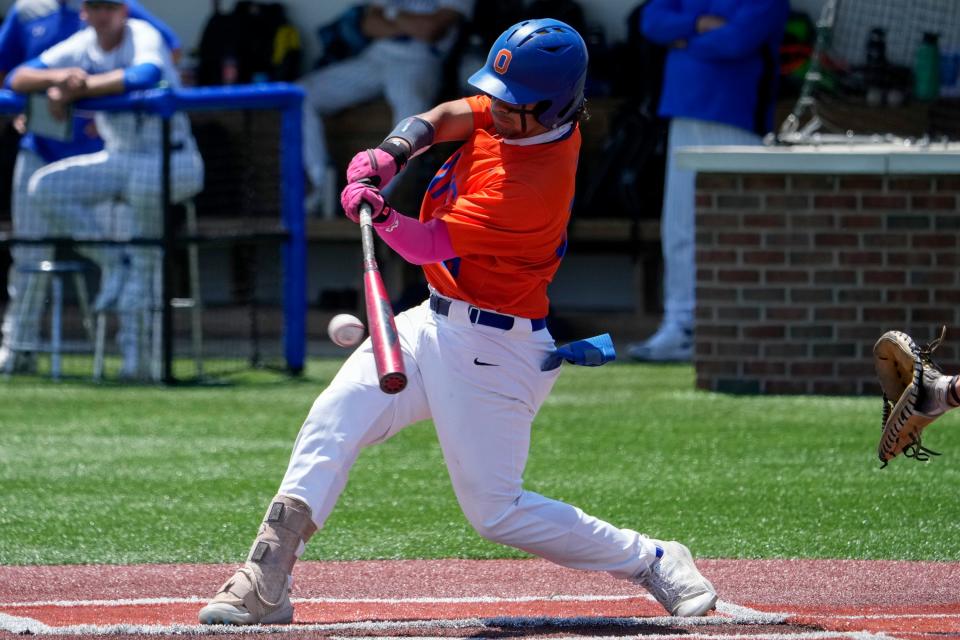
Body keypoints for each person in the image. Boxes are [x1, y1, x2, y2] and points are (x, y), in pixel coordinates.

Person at [197, 19, 717, 626]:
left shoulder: (528, 187)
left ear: (553, 108)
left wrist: (379, 211)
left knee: (495, 512)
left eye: (511, 104)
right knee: (331, 420)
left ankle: (653, 557)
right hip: (429, 322)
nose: (494, 110)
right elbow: (449, 114)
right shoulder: (518, 108)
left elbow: (423, 245)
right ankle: (264, 578)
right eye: (495, 95)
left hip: (495, 349)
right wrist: (392, 152)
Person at [7, 0, 203, 378]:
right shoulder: (81, 46)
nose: (103, 14)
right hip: (119, 159)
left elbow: (146, 73)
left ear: (123, 11)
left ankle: (140, 361)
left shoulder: (141, 34)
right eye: (95, 7)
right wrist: (59, 80)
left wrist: (78, 90)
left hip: (171, 161)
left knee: (146, 257)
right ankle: (113, 260)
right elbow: (18, 77)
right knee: (46, 187)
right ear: (85, 13)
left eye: (110, 7)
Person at [627, 0, 789, 362]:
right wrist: (701, 23)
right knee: (680, 226)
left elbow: (736, 42)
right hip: (683, 113)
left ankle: (741, 326)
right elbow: (652, 21)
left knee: (740, 231)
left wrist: (683, 42)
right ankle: (680, 325)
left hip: (738, 120)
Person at [300, 0, 474, 218]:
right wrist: (410, 23)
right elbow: (368, 24)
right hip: (376, 56)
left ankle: (378, 198)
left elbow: (430, 30)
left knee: (413, 118)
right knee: (300, 94)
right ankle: (321, 182)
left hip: (419, 59)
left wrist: (391, 16)